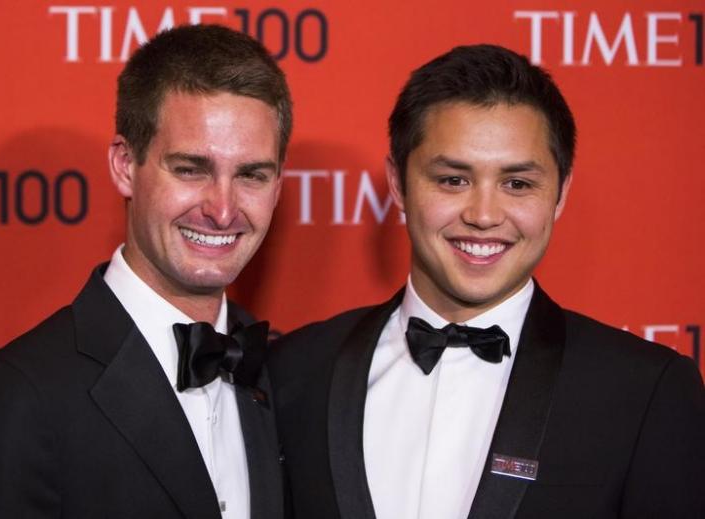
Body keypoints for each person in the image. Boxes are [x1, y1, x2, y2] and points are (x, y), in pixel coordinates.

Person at [269, 44, 705, 519]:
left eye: (517, 184)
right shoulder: (295, 371)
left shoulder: (643, 392)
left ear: (560, 193)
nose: (483, 215)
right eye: (453, 180)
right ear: (398, 184)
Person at [0, 24, 291, 519]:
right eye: (190, 169)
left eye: (251, 174)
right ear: (124, 165)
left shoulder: (285, 371)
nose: (223, 210)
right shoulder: (18, 394)